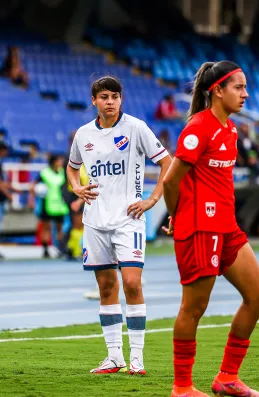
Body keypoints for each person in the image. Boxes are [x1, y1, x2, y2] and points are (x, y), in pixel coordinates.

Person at [162, 61, 259, 397]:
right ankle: (182, 388)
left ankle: (227, 377)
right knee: (193, 307)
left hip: (226, 226)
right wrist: (177, 215)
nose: (245, 94)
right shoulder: (198, 128)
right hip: (200, 227)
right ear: (218, 91)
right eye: (238, 87)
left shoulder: (231, 129)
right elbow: (170, 181)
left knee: (258, 296)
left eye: (245, 87)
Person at [66, 76, 172, 375]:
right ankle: (114, 356)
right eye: (104, 97)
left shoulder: (136, 127)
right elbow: (72, 168)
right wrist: (76, 188)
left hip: (129, 220)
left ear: (121, 99)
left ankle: (137, 357)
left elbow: (168, 162)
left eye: (114, 96)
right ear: (94, 101)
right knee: (106, 287)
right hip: (95, 221)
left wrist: (153, 200)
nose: (110, 101)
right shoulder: (83, 134)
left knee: (132, 283)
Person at [31, 154, 69, 258]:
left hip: (60, 204)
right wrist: (33, 199)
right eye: (59, 161)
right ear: (54, 162)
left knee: (59, 228)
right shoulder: (44, 173)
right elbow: (33, 186)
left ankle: (61, 249)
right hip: (47, 204)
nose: (61, 163)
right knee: (46, 228)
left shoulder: (63, 172)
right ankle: (45, 250)